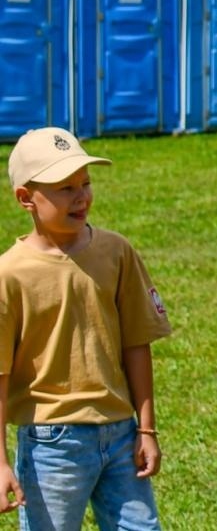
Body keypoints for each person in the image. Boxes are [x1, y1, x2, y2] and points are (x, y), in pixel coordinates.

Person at [0, 127, 171, 531]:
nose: (81, 196)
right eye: (64, 188)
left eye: (85, 183)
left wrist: (146, 428)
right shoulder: (9, 274)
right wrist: (1, 461)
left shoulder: (116, 251)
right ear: (26, 198)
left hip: (121, 433)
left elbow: (136, 342)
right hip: (51, 446)